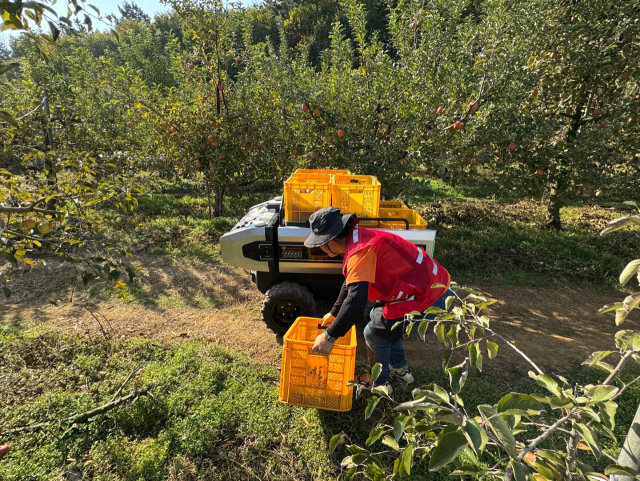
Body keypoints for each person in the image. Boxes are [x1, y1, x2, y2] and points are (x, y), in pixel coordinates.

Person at [306, 206, 452, 394]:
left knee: (373, 332)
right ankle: (400, 371)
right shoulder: (357, 237)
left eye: (320, 245)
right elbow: (351, 282)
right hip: (426, 285)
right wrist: (334, 312)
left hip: (430, 294)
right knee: (382, 322)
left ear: (331, 242)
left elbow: (356, 300)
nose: (321, 249)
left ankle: (379, 383)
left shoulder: (360, 250)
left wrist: (329, 337)